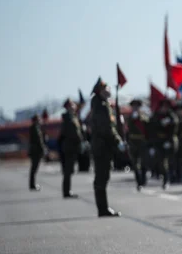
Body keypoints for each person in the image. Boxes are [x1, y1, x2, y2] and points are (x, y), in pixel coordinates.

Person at [90, 78, 126, 217]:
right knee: (101, 177)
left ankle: (103, 208)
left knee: (103, 177)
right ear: (100, 91)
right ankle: (102, 209)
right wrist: (118, 141)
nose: (109, 90)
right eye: (106, 88)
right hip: (102, 147)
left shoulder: (102, 104)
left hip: (103, 147)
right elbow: (107, 128)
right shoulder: (101, 106)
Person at [60, 98, 83, 198]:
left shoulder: (72, 117)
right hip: (70, 147)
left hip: (72, 147)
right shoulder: (68, 119)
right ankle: (66, 192)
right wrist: (80, 140)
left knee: (69, 171)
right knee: (68, 171)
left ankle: (67, 191)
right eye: (72, 105)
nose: (74, 107)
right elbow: (73, 133)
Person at [128, 99, 149, 191]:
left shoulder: (144, 116)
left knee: (144, 162)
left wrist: (139, 117)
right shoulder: (130, 117)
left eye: (137, 107)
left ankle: (143, 179)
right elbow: (128, 128)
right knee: (135, 163)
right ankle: (138, 181)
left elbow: (147, 126)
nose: (135, 108)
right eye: (134, 106)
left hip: (142, 141)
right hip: (133, 142)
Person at [28, 114, 47, 191]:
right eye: (39, 120)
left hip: (34, 151)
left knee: (34, 169)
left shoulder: (35, 128)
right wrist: (43, 149)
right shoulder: (35, 129)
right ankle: (32, 185)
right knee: (34, 169)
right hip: (36, 152)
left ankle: (32, 184)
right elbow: (39, 141)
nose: (40, 121)